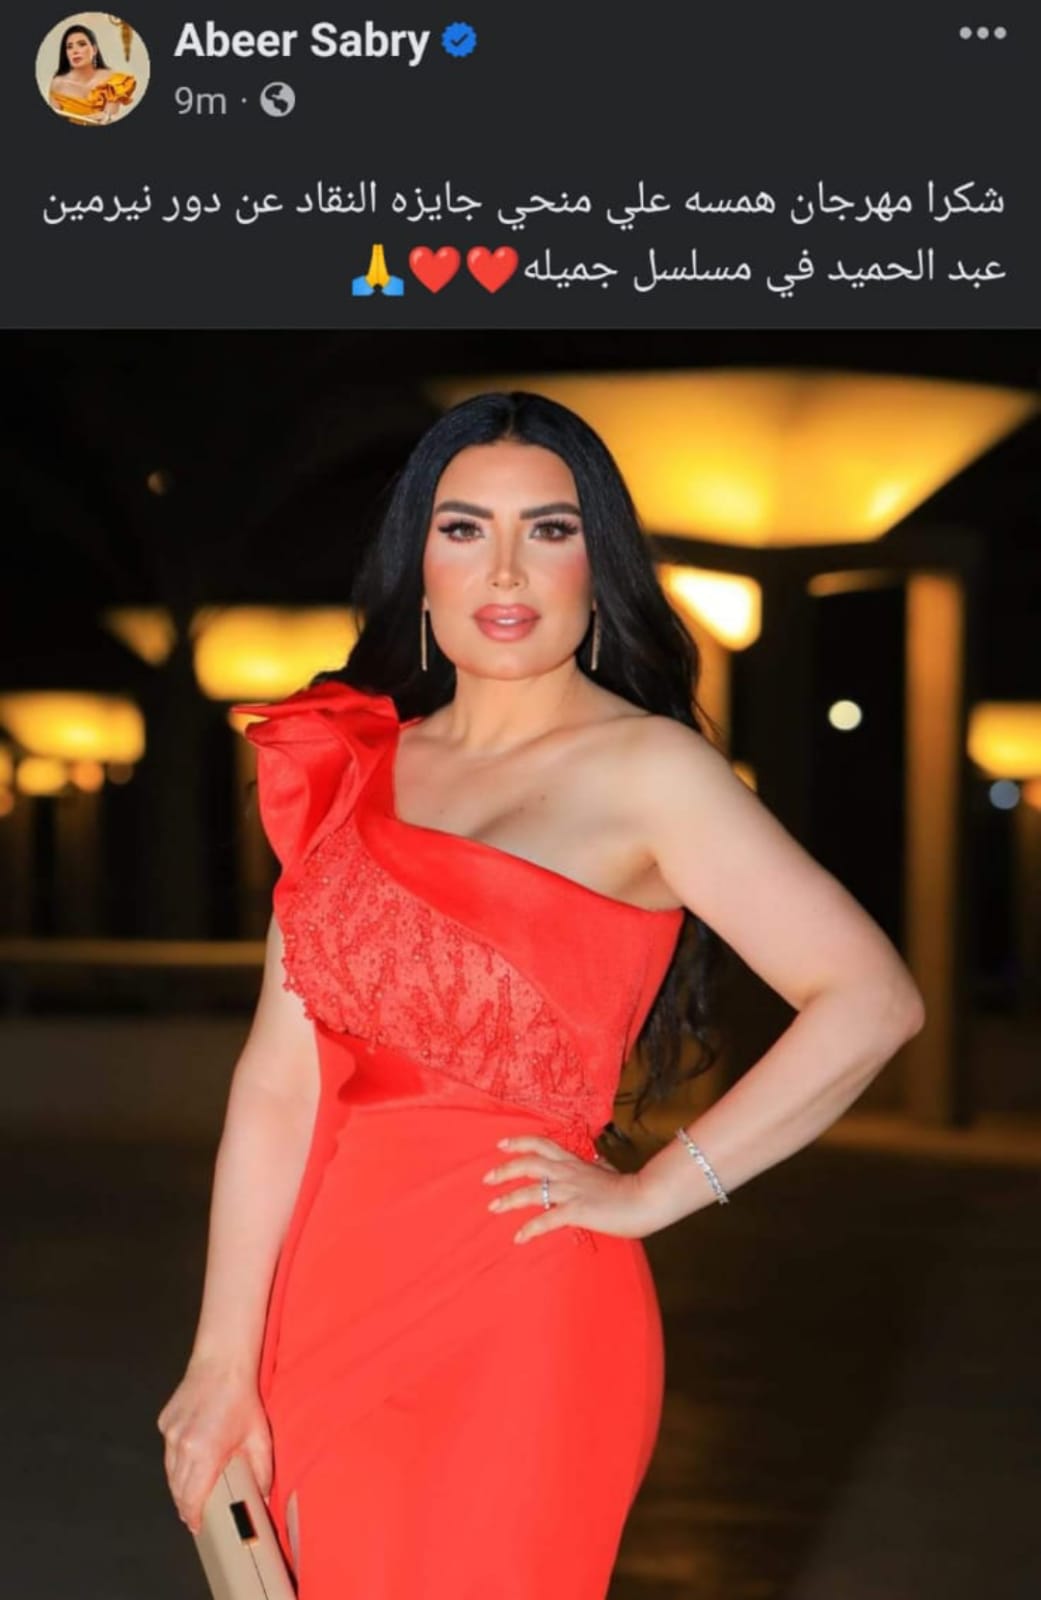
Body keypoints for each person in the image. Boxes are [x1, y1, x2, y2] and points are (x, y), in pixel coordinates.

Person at [157, 390, 925, 1597]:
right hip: (327, 1296)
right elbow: (277, 1084)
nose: (506, 568)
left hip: (523, 1311)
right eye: (465, 528)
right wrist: (220, 1356)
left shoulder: (651, 770)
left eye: (549, 530)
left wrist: (661, 1188)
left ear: (596, 565)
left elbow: (870, 999)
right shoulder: (351, 766)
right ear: (419, 566)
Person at [48, 24, 135, 125]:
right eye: (69, 47)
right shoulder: (58, 84)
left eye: (81, 44)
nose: (75, 51)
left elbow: (108, 118)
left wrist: (107, 117)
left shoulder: (113, 81)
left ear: (94, 50)